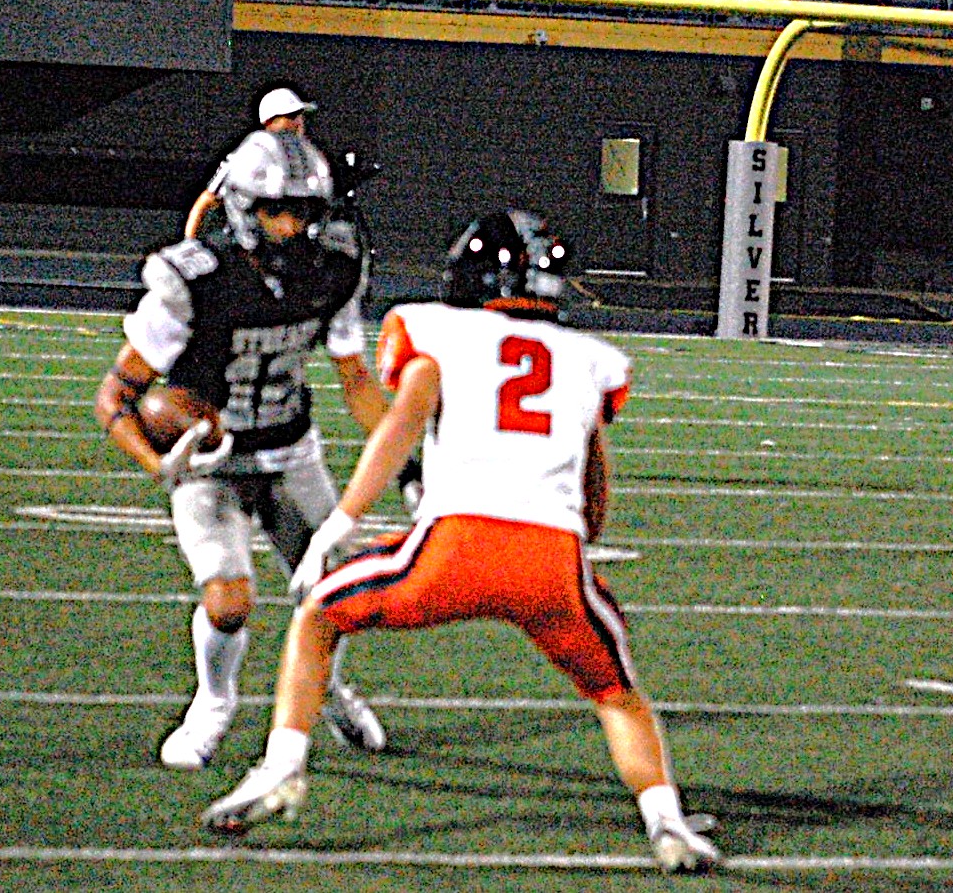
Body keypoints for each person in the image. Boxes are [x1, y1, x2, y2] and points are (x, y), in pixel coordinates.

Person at [201, 210, 723, 875]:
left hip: (452, 548)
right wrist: (581, 548)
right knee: (616, 693)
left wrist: (338, 522)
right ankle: (666, 823)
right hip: (551, 562)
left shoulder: (437, 330)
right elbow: (595, 475)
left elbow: (401, 428)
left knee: (318, 618)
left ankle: (280, 770)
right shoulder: (590, 359)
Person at [95, 128, 404, 771]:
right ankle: (212, 705)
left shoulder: (333, 270)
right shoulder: (196, 280)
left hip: (291, 452)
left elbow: (354, 378)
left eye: (304, 212)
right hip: (214, 463)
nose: (291, 227)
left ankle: (325, 690)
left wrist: (406, 462)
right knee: (229, 602)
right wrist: (161, 462)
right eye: (275, 211)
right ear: (242, 208)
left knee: (334, 597)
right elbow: (117, 400)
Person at [184, 86, 317, 241]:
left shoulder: (309, 158)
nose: (299, 122)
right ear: (270, 121)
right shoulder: (247, 157)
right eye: (292, 116)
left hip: (293, 249)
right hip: (249, 246)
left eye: (300, 116)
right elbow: (207, 200)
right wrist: (189, 242)